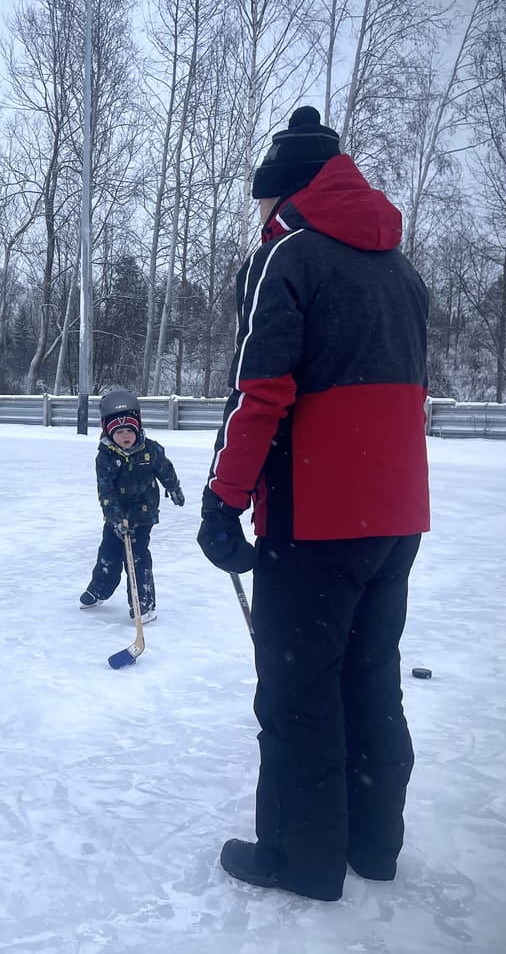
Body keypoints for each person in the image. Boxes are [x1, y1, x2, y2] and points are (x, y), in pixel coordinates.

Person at [196, 106, 430, 901]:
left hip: (315, 519)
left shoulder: (288, 256)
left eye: (260, 202)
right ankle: (374, 844)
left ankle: (302, 860)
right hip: (397, 516)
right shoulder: (401, 269)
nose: (257, 217)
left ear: (283, 193)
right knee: (370, 679)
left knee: (298, 690)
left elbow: (258, 392)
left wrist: (222, 501)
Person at [79, 389, 185, 623]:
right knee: (108, 554)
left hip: (143, 515)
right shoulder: (106, 457)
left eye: (130, 430)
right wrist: (115, 519)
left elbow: (165, 470)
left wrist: (174, 488)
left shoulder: (151, 450)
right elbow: (105, 490)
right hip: (116, 516)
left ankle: (143, 604)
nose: (125, 435)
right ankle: (99, 590)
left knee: (137, 559)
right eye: (119, 431)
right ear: (108, 432)